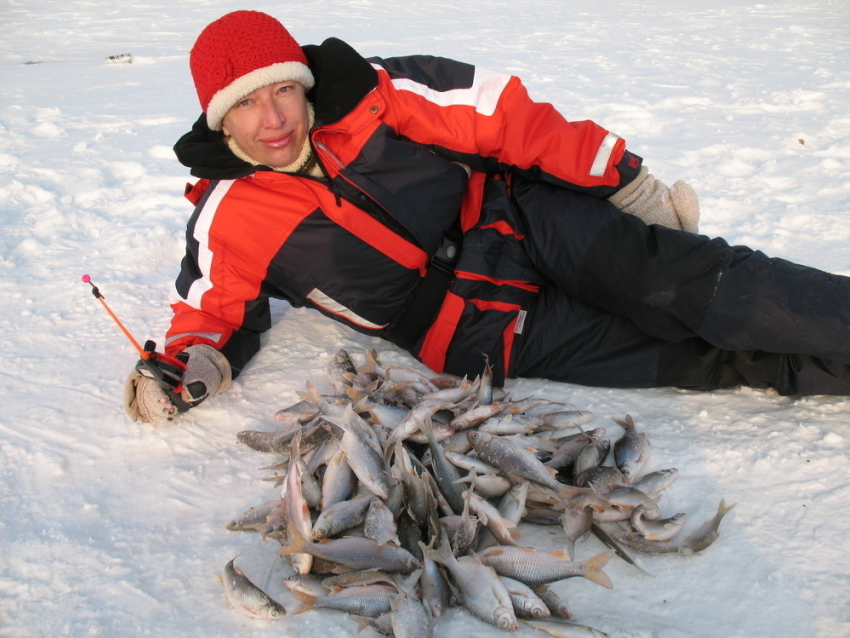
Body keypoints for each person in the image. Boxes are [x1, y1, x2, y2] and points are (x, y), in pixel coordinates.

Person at [125, 10, 850, 423]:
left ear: (305, 86)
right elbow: (209, 312)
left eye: (282, 90)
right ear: (221, 122)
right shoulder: (228, 217)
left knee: (694, 286)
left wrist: (624, 183)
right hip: (478, 333)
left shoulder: (380, 94)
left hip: (521, 221)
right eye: (246, 104)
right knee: (705, 362)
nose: (273, 118)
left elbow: (511, 119)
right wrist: (186, 367)